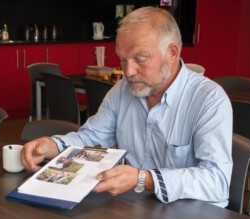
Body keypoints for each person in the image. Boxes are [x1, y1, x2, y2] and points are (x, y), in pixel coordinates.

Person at [21, 7, 233, 207]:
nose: (128, 72)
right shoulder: (122, 90)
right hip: (135, 208)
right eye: (123, 60)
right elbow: (91, 139)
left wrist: (145, 179)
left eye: (140, 59)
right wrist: (53, 145)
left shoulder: (209, 100)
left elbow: (217, 182)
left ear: (172, 53)